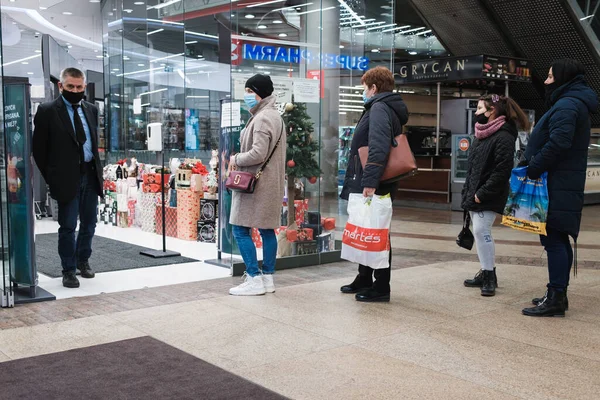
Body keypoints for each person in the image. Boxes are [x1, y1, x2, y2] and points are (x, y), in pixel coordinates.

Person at [522, 59, 598, 317]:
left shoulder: (567, 105)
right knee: (557, 238)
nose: (545, 81)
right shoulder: (571, 102)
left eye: (550, 77)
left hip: (557, 182)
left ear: (563, 79)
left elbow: (559, 143)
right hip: (561, 182)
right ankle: (557, 294)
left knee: (553, 239)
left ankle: (555, 298)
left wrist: (534, 166)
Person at [339, 66, 409, 302]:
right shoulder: (382, 107)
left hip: (374, 181)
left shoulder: (379, 107)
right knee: (367, 228)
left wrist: (370, 181)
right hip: (375, 179)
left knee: (377, 232)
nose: (363, 92)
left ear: (374, 88)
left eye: (364, 88)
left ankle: (381, 286)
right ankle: (365, 278)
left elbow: (378, 146)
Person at [32, 68, 103, 288]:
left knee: (90, 223)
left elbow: (92, 140)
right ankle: (68, 270)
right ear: (60, 86)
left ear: (84, 87)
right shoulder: (47, 110)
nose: (75, 90)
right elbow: (39, 151)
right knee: (68, 226)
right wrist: (52, 178)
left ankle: (83, 261)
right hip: (65, 178)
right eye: (70, 86)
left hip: (90, 174)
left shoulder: (92, 109)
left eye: (79, 87)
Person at [462, 95, 531, 296]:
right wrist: (469, 192)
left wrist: (482, 193)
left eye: (480, 108)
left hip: (488, 194)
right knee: (479, 233)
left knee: (482, 232)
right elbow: (473, 167)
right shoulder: (482, 134)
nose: (476, 112)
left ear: (492, 111)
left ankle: (489, 276)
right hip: (476, 193)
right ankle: (486, 272)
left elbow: (502, 170)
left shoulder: (504, 136)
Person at [229, 74, 286, 296]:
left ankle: (253, 277)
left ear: (259, 92)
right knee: (266, 229)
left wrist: (236, 159)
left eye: (249, 91)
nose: (247, 96)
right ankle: (268, 278)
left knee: (240, 229)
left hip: (255, 184)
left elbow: (258, 153)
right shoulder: (275, 116)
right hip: (270, 182)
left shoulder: (262, 118)